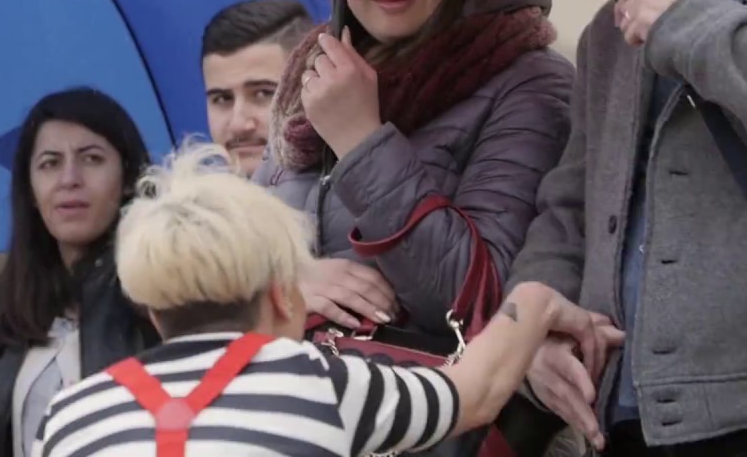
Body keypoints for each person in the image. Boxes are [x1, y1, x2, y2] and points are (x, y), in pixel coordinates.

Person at [31, 141, 616, 457]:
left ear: (156, 312)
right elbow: (477, 394)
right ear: (283, 296)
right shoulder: (320, 384)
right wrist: (536, 299)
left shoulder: (70, 417)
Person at [508, 0, 747, 455]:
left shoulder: (666, 17)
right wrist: (535, 331)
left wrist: (686, 27)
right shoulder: (609, 36)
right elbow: (570, 207)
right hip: (622, 417)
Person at [254, 0, 574, 338]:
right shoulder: (315, 77)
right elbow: (237, 260)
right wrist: (286, 284)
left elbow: (480, 303)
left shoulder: (529, 83)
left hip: (424, 404)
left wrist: (362, 142)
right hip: (290, 399)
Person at [0, 87, 160, 457]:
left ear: (130, 177)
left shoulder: (160, 296)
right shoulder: (10, 306)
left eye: (92, 158)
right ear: (31, 191)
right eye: (49, 163)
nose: (69, 178)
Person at [201, 0, 313, 178]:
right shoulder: (191, 203)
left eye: (263, 93)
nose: (238, 125)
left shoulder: (354, 199)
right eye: (222, 99)